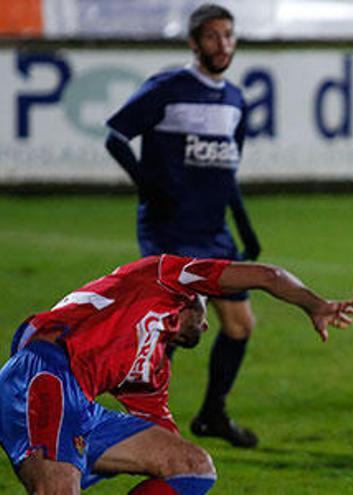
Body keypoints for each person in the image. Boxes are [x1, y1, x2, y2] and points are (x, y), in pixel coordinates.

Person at [0, 254, 352, 494]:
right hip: (45, 375)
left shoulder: (152, 369)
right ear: (195, 297)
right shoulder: (164, 278)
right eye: (205, 309)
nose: (207, 321)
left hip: (78, 407)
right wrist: (314, 304)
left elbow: (163, 441)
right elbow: (267, 276)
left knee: (191, 465)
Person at [104, 4, 264, 447]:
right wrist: (148, 186)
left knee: (239, 326)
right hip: (170, 231)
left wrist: (244, 227)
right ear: (194, 43)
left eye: (228, 36)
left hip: (214, 232)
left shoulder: (234, 100)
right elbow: (115, 135)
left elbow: (226, 169)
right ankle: (143, 424)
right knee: (169, 329)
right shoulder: (168, 88)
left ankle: (213, 413)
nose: (222, 45)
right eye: (212, 37)